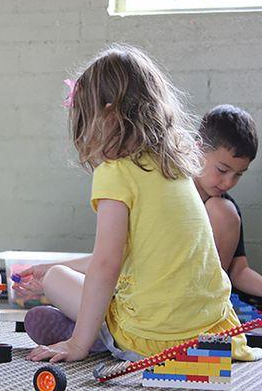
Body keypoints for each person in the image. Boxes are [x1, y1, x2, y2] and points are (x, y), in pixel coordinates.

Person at [13, 45, 260, 362]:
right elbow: (123, 257)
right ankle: (93, 330)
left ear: (106, 116)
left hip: (153, 335)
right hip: (212, 331)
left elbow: (107, 264)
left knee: (57, 279)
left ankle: (93, 335)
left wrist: (78, 344)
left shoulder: (115, 172)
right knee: (69, 277)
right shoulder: (176, 166)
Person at [194, 105, 262, 298]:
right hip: (161, 286)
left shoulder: (224, 205)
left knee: (223, 211)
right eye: (222, 170)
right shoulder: (169, 189)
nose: (229, 182)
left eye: (238, 175)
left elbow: (238, 271)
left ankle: (208, 301)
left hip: (203, 296)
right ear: (198, 149)